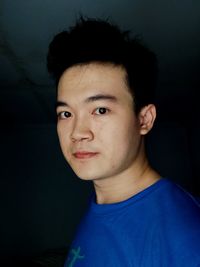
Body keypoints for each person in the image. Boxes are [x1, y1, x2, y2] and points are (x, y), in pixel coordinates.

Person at [47, 17, 200, 267]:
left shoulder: (187, 236)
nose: (77, 132)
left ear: (144, 119)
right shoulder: (102, 205)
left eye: (100, 110)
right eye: (66, 114)